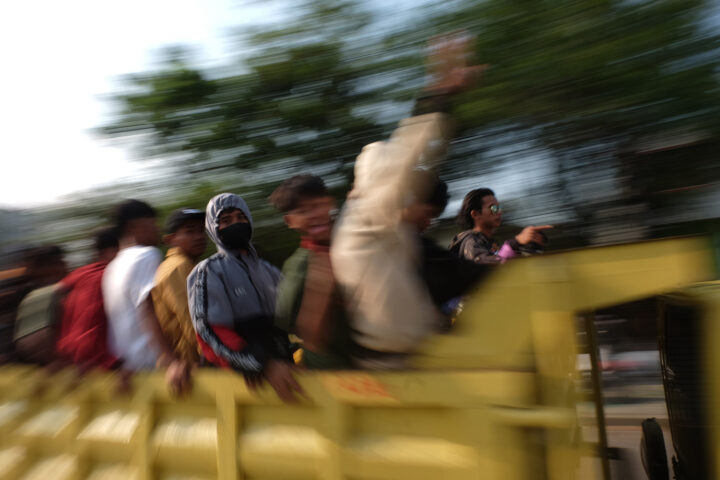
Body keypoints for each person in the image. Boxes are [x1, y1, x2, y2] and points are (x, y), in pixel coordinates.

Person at [330, 33, 481, 368]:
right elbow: (402, 159)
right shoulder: (367, 216)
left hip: (414, 357)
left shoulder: (385, 228)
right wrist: (438, 95)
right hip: (391, 367)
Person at [187, 193, 304, 402]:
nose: (236, 224)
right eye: (226, 220)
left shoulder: (269, 271)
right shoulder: (208, 272)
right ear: (214, 228)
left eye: (241, 217)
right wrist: (262, 364)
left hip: (287, 375)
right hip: (239, 386)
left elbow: (294, 320)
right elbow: (210, 330)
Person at [103, 200, 190, 393]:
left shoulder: (112, 267)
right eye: (152, 223)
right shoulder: (147, 255)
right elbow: (147, 309)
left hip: (130, 369)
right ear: (134, 226)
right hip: (156, 366)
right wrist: (171, 360)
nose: (157, 228)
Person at [270, 174, 353, 369]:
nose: (313, 215)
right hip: (331, 372)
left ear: (330, 204)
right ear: (290, 220)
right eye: (302, 211)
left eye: (316, 206)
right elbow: (294, 325)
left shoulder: (354, 244)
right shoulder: (300, 265)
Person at [54, 227, 119, 370]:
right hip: (93, 355)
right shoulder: (108, 276)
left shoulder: (82, 271)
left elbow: (57, 289)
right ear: (109, 251)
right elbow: (92, 322)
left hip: (66, 349)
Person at [151, 208, 207, 365]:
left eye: (201, 231)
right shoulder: (179, 267)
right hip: (191, 365)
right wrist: (212, 355)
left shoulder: (182, 265)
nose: (199, 237)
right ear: (170, 239)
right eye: (190, 232)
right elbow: (191, 318)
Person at [449, 188, 551, 264]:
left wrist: (525, 247)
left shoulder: (488, 243)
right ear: (475, 214)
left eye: (498, 207)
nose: (499, 212)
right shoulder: (471, 241)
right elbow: (488, 270)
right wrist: (515, 243)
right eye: (493, 208)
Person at [12, 246, 68, 364]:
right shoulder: (27, 294)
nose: (64, 265)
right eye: (56, 262)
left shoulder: (63, 288)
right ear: (41, 268)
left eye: (62, 261)